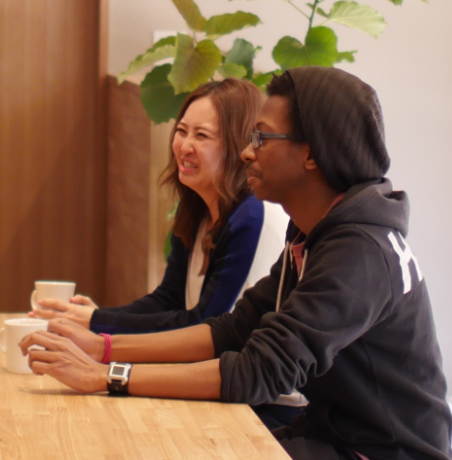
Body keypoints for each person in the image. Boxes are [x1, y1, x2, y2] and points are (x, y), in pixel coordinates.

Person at [24, 67, 451, 460]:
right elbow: (233, 329)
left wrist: (108, 376)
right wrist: (104, 348)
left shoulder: (358, 253)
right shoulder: (315, 232)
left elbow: (258, 371)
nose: (248, 151)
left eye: (261, 138)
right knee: (173, 449)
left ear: (311, 154)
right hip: (331, 440)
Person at [34, 78, 287, 334]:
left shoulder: (253, 216)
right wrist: (97, 318)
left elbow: (206, 328)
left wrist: (96, 322)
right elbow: (168, 300)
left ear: (238, 145)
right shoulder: (197, 208)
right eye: (182, 130)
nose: (184, 146)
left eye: (201, 135)